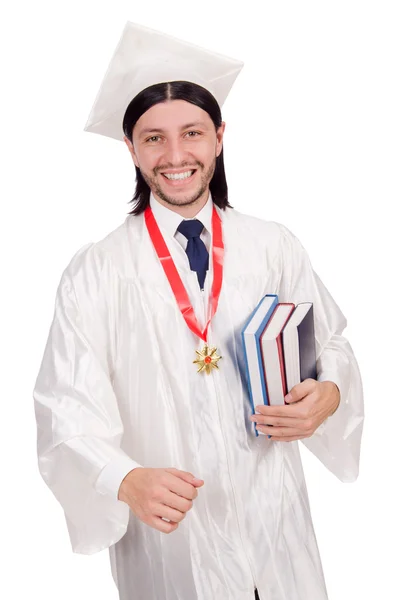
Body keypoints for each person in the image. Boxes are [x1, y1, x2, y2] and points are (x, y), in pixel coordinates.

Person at [33, 21, 364, 600]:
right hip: (173, 541)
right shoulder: (99, 270)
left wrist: (330, 393)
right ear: (131, 147)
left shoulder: (272, 245)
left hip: (274, 524)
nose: (176, 154)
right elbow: (65, 406)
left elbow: (329, 344)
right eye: (154, 138)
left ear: (218, 137)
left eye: (192, 132)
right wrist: (124, 478)